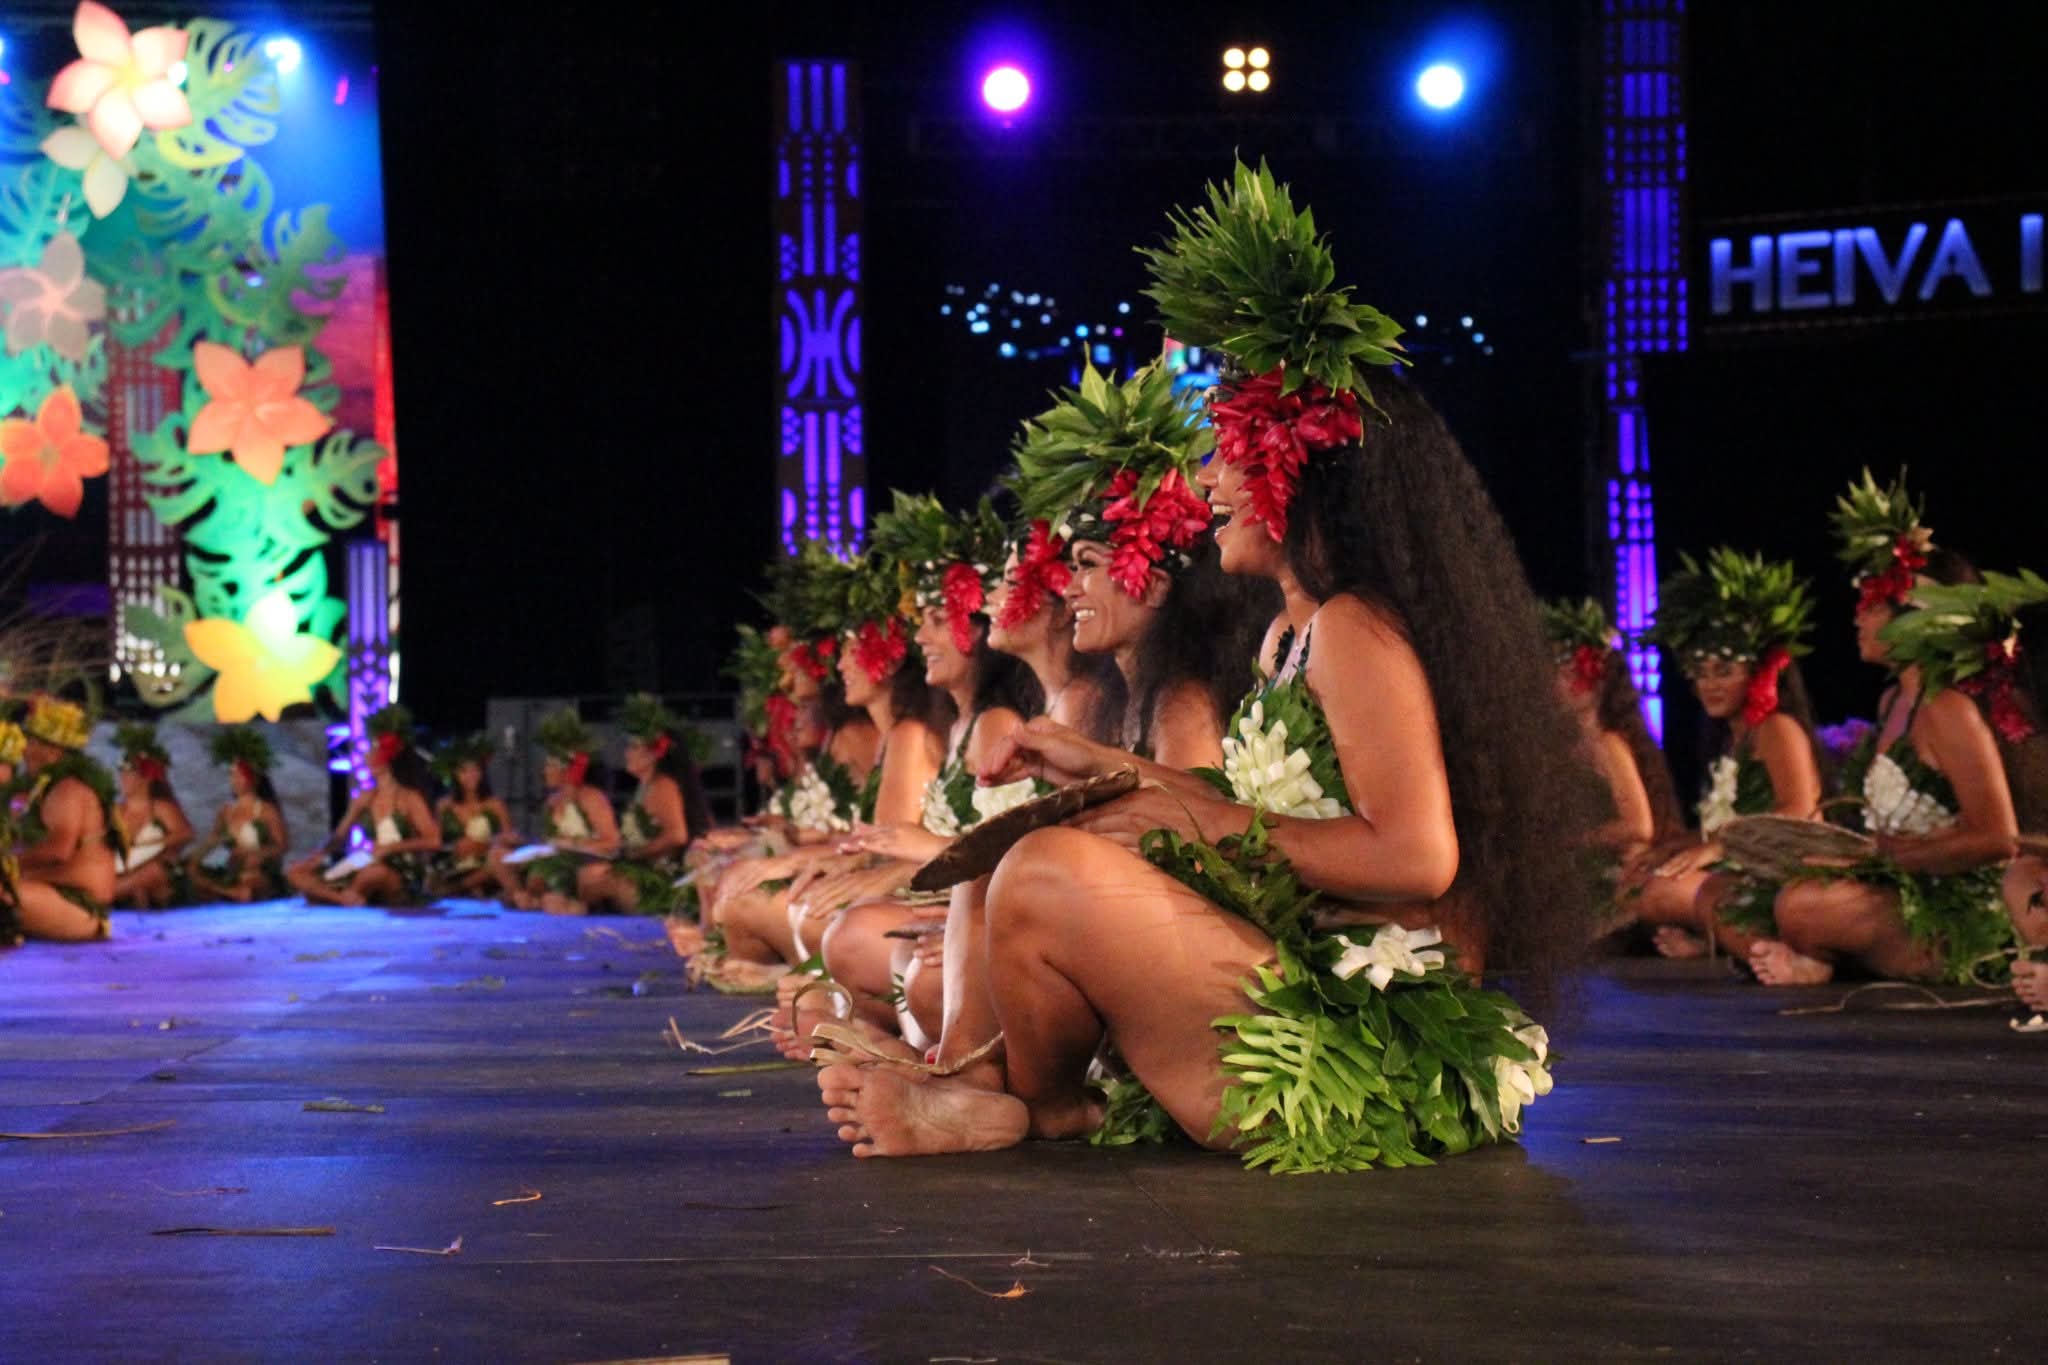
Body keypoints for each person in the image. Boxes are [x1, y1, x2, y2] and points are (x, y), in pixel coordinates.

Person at [817, 161, 1591, 1169]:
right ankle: (993, 1091)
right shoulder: (1287, 636)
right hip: (1289, 978)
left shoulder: (1354, 628)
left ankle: (1022, 1104)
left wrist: (1190, 819)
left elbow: (1416, 859)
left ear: (1296, 470)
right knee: (1009, 847)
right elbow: (1243, 813)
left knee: (1046, 868)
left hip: (1357, 1039)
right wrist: (1109, 773)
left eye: (1228, 453)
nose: (1210, 480)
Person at [1756, 479, 2020, 987]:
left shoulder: (1947, 709)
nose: (1858, 617)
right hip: (1901, 888)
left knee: (1803, 906)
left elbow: (1998, 838)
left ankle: (1828, 960)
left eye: (1873, 604)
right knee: (1791, 895)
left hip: (1956, 911)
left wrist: (1885, 855)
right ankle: (1827, 957)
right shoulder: (1893, 701)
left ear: (1918, 619)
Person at [1629, 549, 1825, 960]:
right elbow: (1727, 820)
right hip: (1742, 869)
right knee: (1646, 886)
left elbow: (1800, 813)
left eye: (1724, 672)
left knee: (1672, 890)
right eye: (1700, 674)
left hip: (1784, 870)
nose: (1709, 685)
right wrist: (1675, 847)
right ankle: (1716, 940)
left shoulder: (1777, 728)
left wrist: (1719, 848)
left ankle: (1775, 953)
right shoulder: (1730, 738)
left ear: (1758, 673)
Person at [288, 705, 439, 907]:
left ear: (386, 756)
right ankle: (344, 897)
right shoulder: (365, 798)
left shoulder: (409, 798)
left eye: (372, 749)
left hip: (399, 870)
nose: (366, 755)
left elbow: (434, 840)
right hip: (367, 861)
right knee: (296, 872)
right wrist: (319, 855)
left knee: (374, 874)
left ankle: (343, 895)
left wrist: (391, 848)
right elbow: (340, 836)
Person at [574, 694, 713, 914]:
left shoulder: (662, 785)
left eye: (634, 747)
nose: (627, 753)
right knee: (587, 877)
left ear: (653, 755)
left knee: (592, 879)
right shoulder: (646, 785)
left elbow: (677, 836)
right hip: (647, 867)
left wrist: (637, 854)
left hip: (663, 877)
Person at [0, 695, 121, 944]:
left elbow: (58, 852)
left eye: (32, 742)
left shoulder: (68, 790)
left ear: (53, 750)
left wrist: (8, 865)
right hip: (49, 893)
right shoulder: (41, 790)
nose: (25, 751)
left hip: (77, 906)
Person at [505, 708, 620, 914]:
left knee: (549, 884)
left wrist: (570, 844)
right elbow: (550, 841)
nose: (544, 771)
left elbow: (612, 842)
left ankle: (573, 902)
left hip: (585, 863)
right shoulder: (552, 802)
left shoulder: (591, 797)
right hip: (556, 862)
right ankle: (536, 898)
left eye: (550, 766)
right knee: (529, 875)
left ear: (567, 769)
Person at [187, 726, 289, 902]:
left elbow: (282, 846)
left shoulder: (265, 810)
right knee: (191, 873)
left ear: (254, 779)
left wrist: (259, 854)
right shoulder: (226, 811)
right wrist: (195, 857)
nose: (235, 781)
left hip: (257, 869)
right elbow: (214, 840)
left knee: (252, 879)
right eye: (232, 775)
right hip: (231, 867)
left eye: (240, 776)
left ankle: (233, 892)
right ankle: (229, 892)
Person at [110, 723, 195, 909]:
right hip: (118, 869)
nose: (122, 779)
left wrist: (152, 844)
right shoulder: (116, 810)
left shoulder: (160, 808)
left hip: (152, 870)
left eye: (129, 773)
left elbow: (186, 834)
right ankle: (123, 892)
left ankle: (111, 893)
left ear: (146, 778)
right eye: (121, 773)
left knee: (155, 871)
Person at [428, 731, 514, 899]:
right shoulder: (444, 806)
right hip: (454, 865)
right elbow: (434, 843)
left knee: (498, 862)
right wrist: (455, 848)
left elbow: (509, 841)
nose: (471, 776)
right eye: (464, 771)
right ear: (455, 775)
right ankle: (468, 887)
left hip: (487, 865)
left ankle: (459, 888)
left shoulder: (495, 805)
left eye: (475, 770)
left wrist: (482, 845)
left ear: (482, 773)